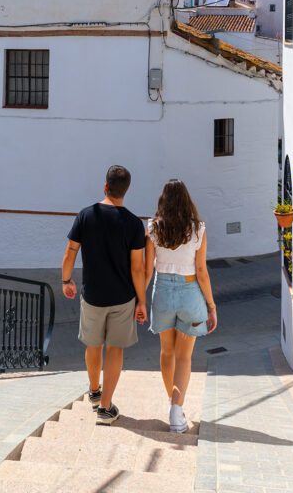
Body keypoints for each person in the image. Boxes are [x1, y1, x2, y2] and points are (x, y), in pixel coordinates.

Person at [61, 164, 147, 425]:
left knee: (93, 345)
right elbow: (137, 267)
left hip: (92, 295)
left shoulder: (86, 215)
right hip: (122, 297)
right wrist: (142, 300)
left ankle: (95, 391)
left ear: (105, 186)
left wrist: (66, 280)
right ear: (126, 190)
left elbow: (70, 251)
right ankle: (106, 408)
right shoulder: (134, 224)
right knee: (116, 349)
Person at [145, 178, 217, 433]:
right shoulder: (198, 229)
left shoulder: (153, 228)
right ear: (187, 201)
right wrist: (211, 305)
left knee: (167, 352)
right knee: (184, 356)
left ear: (163, 200)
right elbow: (201, 271)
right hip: (189, 292)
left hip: (162, 291)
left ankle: (173, 405)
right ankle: (177, 410)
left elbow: (147, 270)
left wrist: (140, 301)